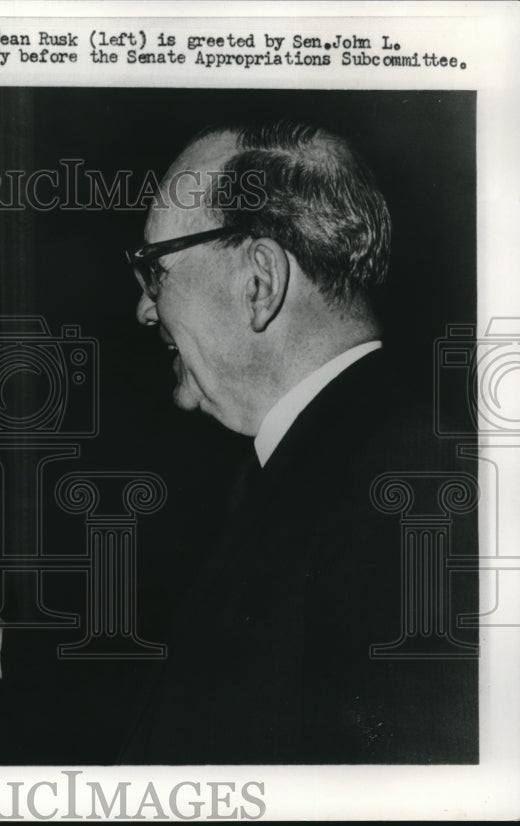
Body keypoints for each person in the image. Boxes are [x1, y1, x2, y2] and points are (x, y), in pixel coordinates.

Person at [119, 120, 477, 763]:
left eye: (155, 273)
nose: (145, 311)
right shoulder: (337, 460)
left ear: (259, 282)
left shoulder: (410, 500)